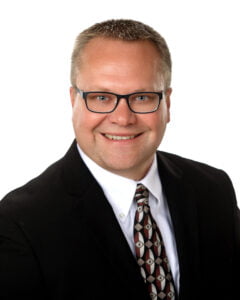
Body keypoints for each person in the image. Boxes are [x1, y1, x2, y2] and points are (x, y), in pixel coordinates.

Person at [0, 19, 239, 300]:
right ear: (73, 100)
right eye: (101, 97)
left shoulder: (213, 189)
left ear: (167, 103)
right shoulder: (19, 223)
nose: (123, 118)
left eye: (141, 97)